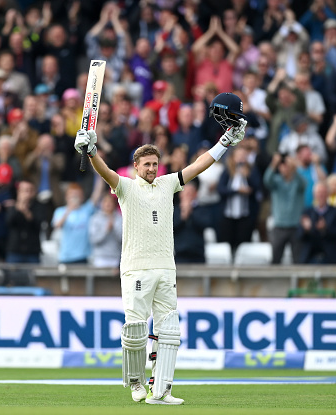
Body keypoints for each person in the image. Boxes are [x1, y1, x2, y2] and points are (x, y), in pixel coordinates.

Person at [73, 92, 247, 405]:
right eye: (147, 164)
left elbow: (198, 165)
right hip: (136, 267)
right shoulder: (125, 186)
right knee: (136, 330)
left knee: (169, 332)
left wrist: (225, 142)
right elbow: (105, 171)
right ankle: (136, 383)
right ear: (136, 165)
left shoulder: (168, 183)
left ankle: (161, 390)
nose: (152, 168)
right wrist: (91, 151)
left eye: (155, 163)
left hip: (166, 267)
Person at [298, 181, 336, 264]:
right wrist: (306, 229)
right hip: (309, 256)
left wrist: (325, 228)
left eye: (323, 193)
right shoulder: (307, 212)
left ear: (328, 194)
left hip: (331, 256)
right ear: (314, 195)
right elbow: (299, 236)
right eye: (319, 193)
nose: (321, 195)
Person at [5, 180, 44, 264]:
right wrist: (18, 207)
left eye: (30, 190)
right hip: (15, 251)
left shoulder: (39, 206)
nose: (27, 194)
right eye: (25, 190)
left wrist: (25, 211)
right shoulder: (13, 207)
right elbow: (9, 222)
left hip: (32, 251)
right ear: (18, 192)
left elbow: (38, 224)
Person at [89, 193, 123, 267]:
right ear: (101, 203)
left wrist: (113, 229)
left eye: (110, 202)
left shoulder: (120, 219)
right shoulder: (95, 219)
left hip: (116, 257)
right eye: (105, 201)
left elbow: (122, 239)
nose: (108, 204)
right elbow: (94, 240)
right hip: (100, 257)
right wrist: (106, 230)